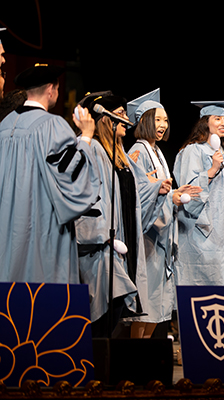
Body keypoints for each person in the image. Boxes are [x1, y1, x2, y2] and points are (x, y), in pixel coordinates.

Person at [75, 91, 172, 338]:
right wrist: (102, 236)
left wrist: (155, 188)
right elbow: (82, 194)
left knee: (113, 310)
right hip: (102, 246)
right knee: (102, 311)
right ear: (106, 119)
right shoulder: (94, 148)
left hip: (122, 244)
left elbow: (135, 190)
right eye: (120, 115)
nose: (127, 120)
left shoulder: (119, 155)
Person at [0, 64, 100, 284]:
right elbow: (70, 179)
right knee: (41, 300)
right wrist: (85, 137)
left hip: (5, 230)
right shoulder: (52, 125)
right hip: (40, 229)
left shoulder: (4, 126)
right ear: (52, 89)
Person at [126, 89, 182, 338]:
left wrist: (173, 195)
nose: (163, 125)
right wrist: (158, 189)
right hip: (147, 234)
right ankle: (134, 354)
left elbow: (160, 189)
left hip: (160, 236)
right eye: (158, 119)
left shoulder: (157, 152)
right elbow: (134, 190)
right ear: (144, 121)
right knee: (144, 302)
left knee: (156, 304)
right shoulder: (137, 152)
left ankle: (145, 354)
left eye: (165, 120)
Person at [173, 100, 224, 287]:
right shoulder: (193, 151)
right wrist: (211, 170)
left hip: (223, 234)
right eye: (217, 118)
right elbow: (188, 193)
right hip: (202, 232)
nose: (223, 123)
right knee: (202, 287)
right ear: (205, 122)